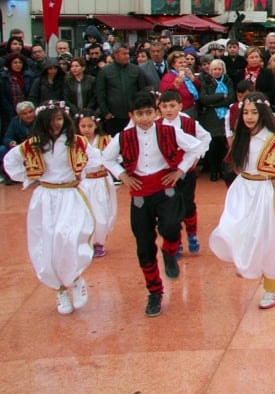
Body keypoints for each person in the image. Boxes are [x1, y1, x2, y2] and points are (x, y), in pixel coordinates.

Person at [101, 91, 203, 317]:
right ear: (132, 115)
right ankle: (155, 293)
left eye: (149, 113)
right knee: (144, 246)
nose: (145, 118)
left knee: (171, 228)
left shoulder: (169, 131)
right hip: (140, 194)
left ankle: (169, 252)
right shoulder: (123, 137)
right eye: (140, 114)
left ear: (156, 113)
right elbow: (105, 157)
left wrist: (180, 170)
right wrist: (123, 175)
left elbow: (196, 147)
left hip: (165, 188)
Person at [209, 92, 275, 310]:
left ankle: (273, 288)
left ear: (263, 113)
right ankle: (243, 259)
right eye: (245, 112)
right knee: (233, 227)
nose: (249, 117)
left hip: (264, 192)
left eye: (254, 112)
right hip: (242, 188)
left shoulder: (274, 139)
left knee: (266, 240)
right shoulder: (241, 136)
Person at [3, 100, 101, 314]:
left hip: (69, 195)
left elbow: (95, 159)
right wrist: (28, 176)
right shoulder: (33, 144)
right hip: (45, 198)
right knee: (46, 244)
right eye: (52, 120)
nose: (56, 124)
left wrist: (80, 175)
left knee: (67, 237)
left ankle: (74, 278)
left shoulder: (76, 142)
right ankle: (60, 290)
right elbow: (10, 161)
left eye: (59, 119)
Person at [155, 90, 211, 255]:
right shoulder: (156, 126)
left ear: (180, 106)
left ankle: (192, 234)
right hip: (165, 174)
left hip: (186, 173)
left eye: (172, 105)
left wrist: (198, 156)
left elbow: (206, 138)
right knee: (169, 207)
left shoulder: (189, 124)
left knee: (187, 204)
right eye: (164, 106)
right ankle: (175, 240)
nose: (168, 110)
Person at [76, 110, 116, 258]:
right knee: (84, 213)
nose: (86, 129)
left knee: (101, 212)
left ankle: (99, 242)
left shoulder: (105, 140)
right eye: (83, 126)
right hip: (84, 182)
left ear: (96, 125)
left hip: (100, 180)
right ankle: (85, 242)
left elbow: (114, 157)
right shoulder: (76, 142)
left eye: (89, 126)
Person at [198, 59, 235, 182]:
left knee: (224, 145)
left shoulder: (228, 80)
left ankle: (224, 169)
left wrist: (213, 103)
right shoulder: (206, 81)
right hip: (211, 118)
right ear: (210, 70)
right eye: (214, 69)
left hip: (225, 117)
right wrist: (220, 96)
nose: (217, 71)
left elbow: (230, 98)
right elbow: (204, 99)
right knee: (212, 145)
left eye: (219, 69)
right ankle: (214, 171)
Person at [0, 101, 36, 184]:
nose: (28, 115)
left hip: (36, 147)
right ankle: (8, 174)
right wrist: (11, 142)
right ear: (19, 115)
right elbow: (7, 137)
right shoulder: (15, 121)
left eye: (30, 112)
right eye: (25, 113)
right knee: (2, 149)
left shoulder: (40, 121)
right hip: (19, 147)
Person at [1, 53, 36, 132]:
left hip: (27, 111)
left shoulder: (29, 76)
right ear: (10, 64)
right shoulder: (3, 77)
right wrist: (11, 111)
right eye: (15, 63)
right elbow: (3, 97)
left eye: (20, 63)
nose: (18, 65)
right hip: (9, 112)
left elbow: (31, 94)